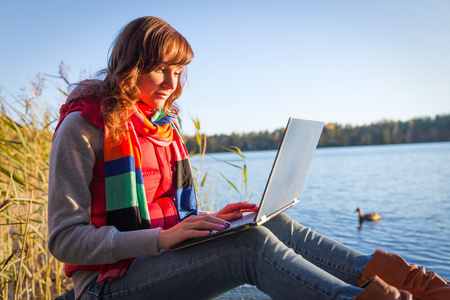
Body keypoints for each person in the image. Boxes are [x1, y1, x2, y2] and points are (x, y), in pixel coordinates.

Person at [48, 16, 449, 300]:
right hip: (108, 285)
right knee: (248, 247)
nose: (172, 85)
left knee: (273, 222)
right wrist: (162, 238)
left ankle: (429, 289)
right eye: (160, 70)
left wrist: (210, 222)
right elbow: (64, 241)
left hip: (159, 259)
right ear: (132, 67)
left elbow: (166, 216)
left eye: (179, 71)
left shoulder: (161, 127)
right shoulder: (84, 127)